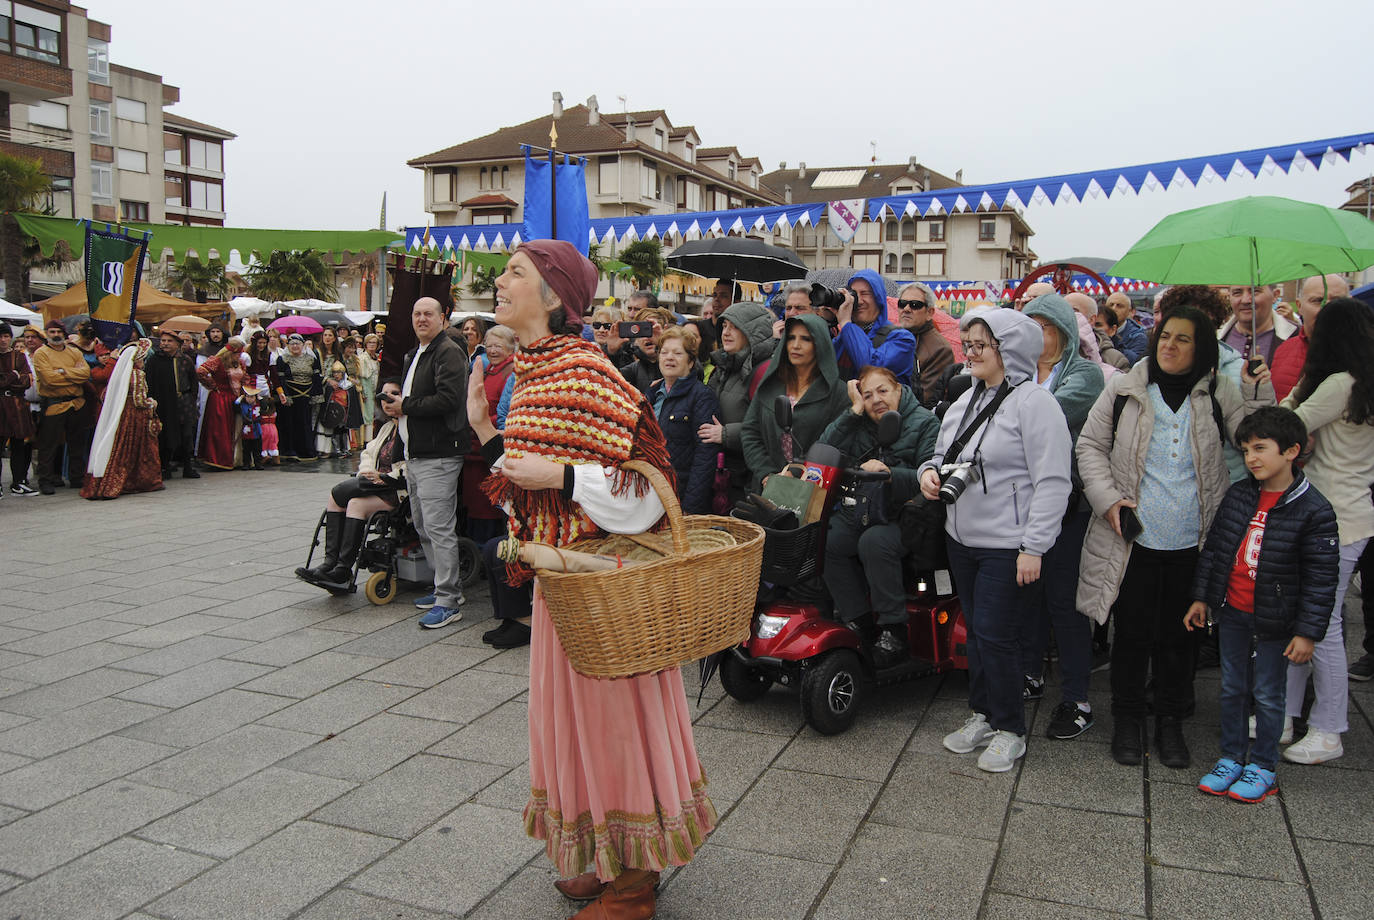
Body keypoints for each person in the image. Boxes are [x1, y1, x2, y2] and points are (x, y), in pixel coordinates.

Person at [465, 239, 714, 917]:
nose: (499, 281)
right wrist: (489, 433)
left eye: (515, 273)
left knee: (613, 726)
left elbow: (648, 487)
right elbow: (527, 485)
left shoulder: (585, 371)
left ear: (553, 296)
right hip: (560, 581)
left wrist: (565, 476)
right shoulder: (532, 370)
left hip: (607, 588)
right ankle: (603, 857)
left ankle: (634, 882)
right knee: (567, 724)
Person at [1076, 305, 1274, 770]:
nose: (1170, 345)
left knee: (1179, 640)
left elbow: (1258, 438)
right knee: (1131, 637)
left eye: (1183, 339)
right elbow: (1089, 445)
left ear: (1201, 346)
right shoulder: (1125, 386)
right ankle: (1126, 719)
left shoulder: (1220, 391)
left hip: (1195, 541)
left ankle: (1169, 721)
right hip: (1132, 538)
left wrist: (1257, 388)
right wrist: (1108, 502)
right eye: (1166, 335)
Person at [918, 308, 1072, 773]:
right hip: (961, 536)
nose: (970, 352)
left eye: (980, 345)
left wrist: (1034, 546)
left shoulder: (1035, 403)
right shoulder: (968, 397)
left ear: (1008, 349)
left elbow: (1053, 481)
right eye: (969, 344)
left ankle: (1011, 728)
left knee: (995, 633)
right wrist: (928, 473)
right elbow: (941, 450)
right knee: (979, 632)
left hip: (1008, 543)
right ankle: (983, 714)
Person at [1186, 407, 1338, 802]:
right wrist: (1203, 597)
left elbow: (1322, 579)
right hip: (1234, 611)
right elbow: (1216, 550)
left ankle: (1263, 765)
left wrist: (1307, 632)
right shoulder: (1240, 495)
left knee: (1270, 694)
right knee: (1233, 687)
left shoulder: (1313, 509)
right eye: (1246, 449)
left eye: (1260, 448)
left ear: (1291, 451)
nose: (1251, 457)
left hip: (1275, 621)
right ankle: (1232, 757)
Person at [1277, 297, 1374, 764]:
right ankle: (1288, 714)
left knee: (1322, 625)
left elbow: (1283, 423)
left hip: (1329, 519)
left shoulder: (1338, 383)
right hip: (1350, 515)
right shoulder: (1362, 385)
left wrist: (1294, 389)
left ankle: (1329, 727)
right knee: (1309, 617)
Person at [1020, 294, 1106, 738]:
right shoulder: (1019, 372)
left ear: (1064, 332)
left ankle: (1077, 698)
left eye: (1045, 326)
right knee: (1029, 595)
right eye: (1028, 327)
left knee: (1065, 600)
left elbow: (1048, 416)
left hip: (1068, 502)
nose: (1036, 335)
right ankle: (1031, 673)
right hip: (1022, 501)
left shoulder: (1084, 373)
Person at [820, 366, 939, 664]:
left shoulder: (926, 423)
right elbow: (823, 451)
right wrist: (853, 411)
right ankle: (858, 621)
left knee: (874, 541)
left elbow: (932, 478)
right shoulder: (862, 423)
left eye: (883, 391)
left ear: (898, 390)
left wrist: (890, 475)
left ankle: (894, 630)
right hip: (865, 509)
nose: (876, 400)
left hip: (912, 515)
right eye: (868, 395)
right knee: (826, 538)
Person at [381, 295, 468, 628]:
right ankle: (443, 588)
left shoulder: (448, 351)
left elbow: (448, 399)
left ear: (442, 318)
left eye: (428, 314)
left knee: (439, 528)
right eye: (416, 313)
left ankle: (449, 600)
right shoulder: (416, 352)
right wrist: (396, 406)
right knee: (424, 526)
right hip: (417, 452)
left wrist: (405, 406)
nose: (421, 319)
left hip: (439, 454)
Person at [296, 380, 408, 589]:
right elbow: (368, 452)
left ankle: (342, 569)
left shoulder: (409, 427)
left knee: (348, 498)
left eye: (394, 393)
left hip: (397, 489)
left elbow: (412, 465)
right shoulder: (386, 427)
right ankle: (330, 564)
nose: (388, 400)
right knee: (342, 498)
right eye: (384, 396)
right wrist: (368, 471)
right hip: (375, 482)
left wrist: (385, 476)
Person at [741, 313, 850, 492]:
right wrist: (768, 474)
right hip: (766, 489)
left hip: (811, 492)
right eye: (791, 338)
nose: (796, 345)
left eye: (805, 339)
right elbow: (750, 432)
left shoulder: (838, 392)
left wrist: (797, 475)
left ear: (820, 345)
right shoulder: (770, 384)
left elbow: (837, 444)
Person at [698, 301, 775, 508]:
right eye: (724, 326)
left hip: (747, 481)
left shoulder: (765, 371)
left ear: (752, 332)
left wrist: (725, 434)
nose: (726, 332)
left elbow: (767, 428)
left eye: (735, 327)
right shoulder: (724, 367)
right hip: (723, 474)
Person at [649, 325, 720, 515]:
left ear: (690, 362)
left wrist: (690, 507)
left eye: (677, 353)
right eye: (664, 352)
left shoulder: (702, 396)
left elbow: (705, 457)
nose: (669, 357)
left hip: (681, 496)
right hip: (650, 492)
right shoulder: (652, 394)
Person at [81, 338, 164, 499]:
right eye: (142, 359)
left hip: (121, 414)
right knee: (137, 448)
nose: (143, 362)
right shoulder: (138, 374)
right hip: (135, 416)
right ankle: (140, 480)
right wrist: (152, 403)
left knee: (119, 447)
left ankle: (111, 480)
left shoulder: (119, 374)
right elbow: (140, 401)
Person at [32, 320, 93, 494]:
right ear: (46, 334)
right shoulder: (41, 353)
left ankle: (77, 477)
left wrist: (61, 371)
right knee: (48, 445)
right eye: (51, 332)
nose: (55, 335)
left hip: (77, 403)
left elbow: (85, 374)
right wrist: (72, 372)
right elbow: (48, 379)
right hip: (54, 404)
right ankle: (46, 479)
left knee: (77, 444)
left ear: (64, 333)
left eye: (58, 331)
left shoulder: (74, 352)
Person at [1270, 274, 1350, 401]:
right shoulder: (1283, 350)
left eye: (1336, 301)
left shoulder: (1365, 355)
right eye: (1318, 301)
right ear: (1299, 306)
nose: (1327, 309)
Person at [832, 269, 916, 387]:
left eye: (865, 293)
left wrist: (846, 322)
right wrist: (830, 319)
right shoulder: (845, 334)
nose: (859, 301)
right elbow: (823, 368)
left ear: (878, 298)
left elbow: (870, 369)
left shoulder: (902, 339)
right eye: (854, 295)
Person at [144, 329, 199, 479]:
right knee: (165, 434)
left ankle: (188, 467)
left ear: (177, 344)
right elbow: (149, 382)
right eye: (163, 341)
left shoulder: (185, 360)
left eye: (169, 341)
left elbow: (193, 381)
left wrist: (191, 399)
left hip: (184, 402)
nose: (165, 344)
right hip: (164, 403)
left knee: (186, 434)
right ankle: (165, 467)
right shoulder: (155, 361)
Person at [895, 281, 954, 407]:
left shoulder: (940, 349)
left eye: (915, 305)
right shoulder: (891, 337)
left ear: (930, 313)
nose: (906, 309)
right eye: (902, 304)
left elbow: (925, 400)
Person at [195, 336, 246, 471]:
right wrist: (212, 385)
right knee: (219, 430)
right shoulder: (217, 360)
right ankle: (217, 459)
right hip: (220, 399)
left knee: (233, 429)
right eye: (237, 353)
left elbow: (245, 378)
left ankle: (234, 458)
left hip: (234, 398)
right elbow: (200, 371)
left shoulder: (240, 362)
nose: (239, 355)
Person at [272, 333, 323, 461]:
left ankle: (306, 450)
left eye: (297, 343)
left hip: (306, 396)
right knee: (290, 423)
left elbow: (316, 378)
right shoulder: (282, 359)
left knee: (305, 423)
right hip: (290, 397)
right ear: (288, 345)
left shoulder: (312, 359)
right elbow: (280, 379)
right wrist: (286, 395)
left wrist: (316, 395)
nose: (295, 346)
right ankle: (290, 450)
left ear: (303, 345)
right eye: (292, 344)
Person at [1221, 283, 1296, 368]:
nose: (1245, 300)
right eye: (1237, 293)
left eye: (1255, 291)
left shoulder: (1299, 338)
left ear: (1275, 296)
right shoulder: (1215, 339)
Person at [0, 325, 36, 494]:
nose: (3, 340)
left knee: (19, 444)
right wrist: (13, 375)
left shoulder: (19, 357)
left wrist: (10, 379)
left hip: (17, 405)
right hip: (1, 405)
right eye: (0, 336)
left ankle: (18, 481)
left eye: (6, 336)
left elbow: (27, 380)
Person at [1107, 291, 1148, 365]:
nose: (1114, 309)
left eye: (1119, 306)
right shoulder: (1096, 329)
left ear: (1129, 312)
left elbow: (1136, 362)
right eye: (1111, 305)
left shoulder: (1138, 336)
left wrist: (1115, 340)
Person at [236, 385, 265, 470]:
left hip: (256, 430)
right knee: (246, 449)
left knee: (257, 449)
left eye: (252, 397)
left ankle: (258, 464)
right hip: (246, 431)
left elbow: (264, 405)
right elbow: (236, 405)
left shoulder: (258, 406)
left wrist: (259, 397)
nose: (249, 399)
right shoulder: (243, 406)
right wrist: (241, 397)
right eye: (248, 397)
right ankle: (246, 464)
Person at [358, 333, 381, 439]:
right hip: (366, 388)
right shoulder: (362, 358)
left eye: (374, 343)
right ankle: (367, 439)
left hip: (376, 389)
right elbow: (362, 376)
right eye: (370, 342)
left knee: (376, 414)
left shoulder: (376, 358)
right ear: (366, 344)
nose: (372, 345)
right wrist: (363, 391)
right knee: (367, 415)